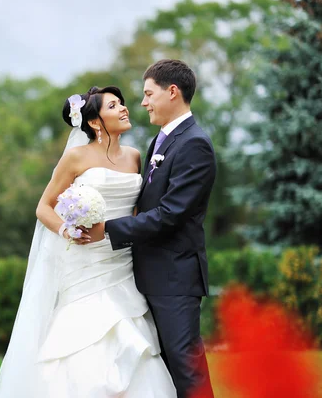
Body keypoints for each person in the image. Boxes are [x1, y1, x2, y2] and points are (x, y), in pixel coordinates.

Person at [0, 86, 176, 397]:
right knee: (81, 340)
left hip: (121, 262)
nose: (124, 109)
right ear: (94, 122)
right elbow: (43, 207)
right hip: (85, 262)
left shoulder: (134, 157)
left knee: (130, 335)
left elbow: (136, 211)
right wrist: (67, 231)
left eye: (122, 104)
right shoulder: (75, 157)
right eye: (113, 106)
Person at [90, 59, 216, 398]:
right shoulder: (160, 141)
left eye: (148, 94)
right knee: (161, 372)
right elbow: (148, 203)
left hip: (175, 278)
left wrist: (108, 229)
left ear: (171, 92)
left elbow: (170, 213)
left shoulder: (195, 144)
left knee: (186, 369)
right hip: (147, 274)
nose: (143, 102)